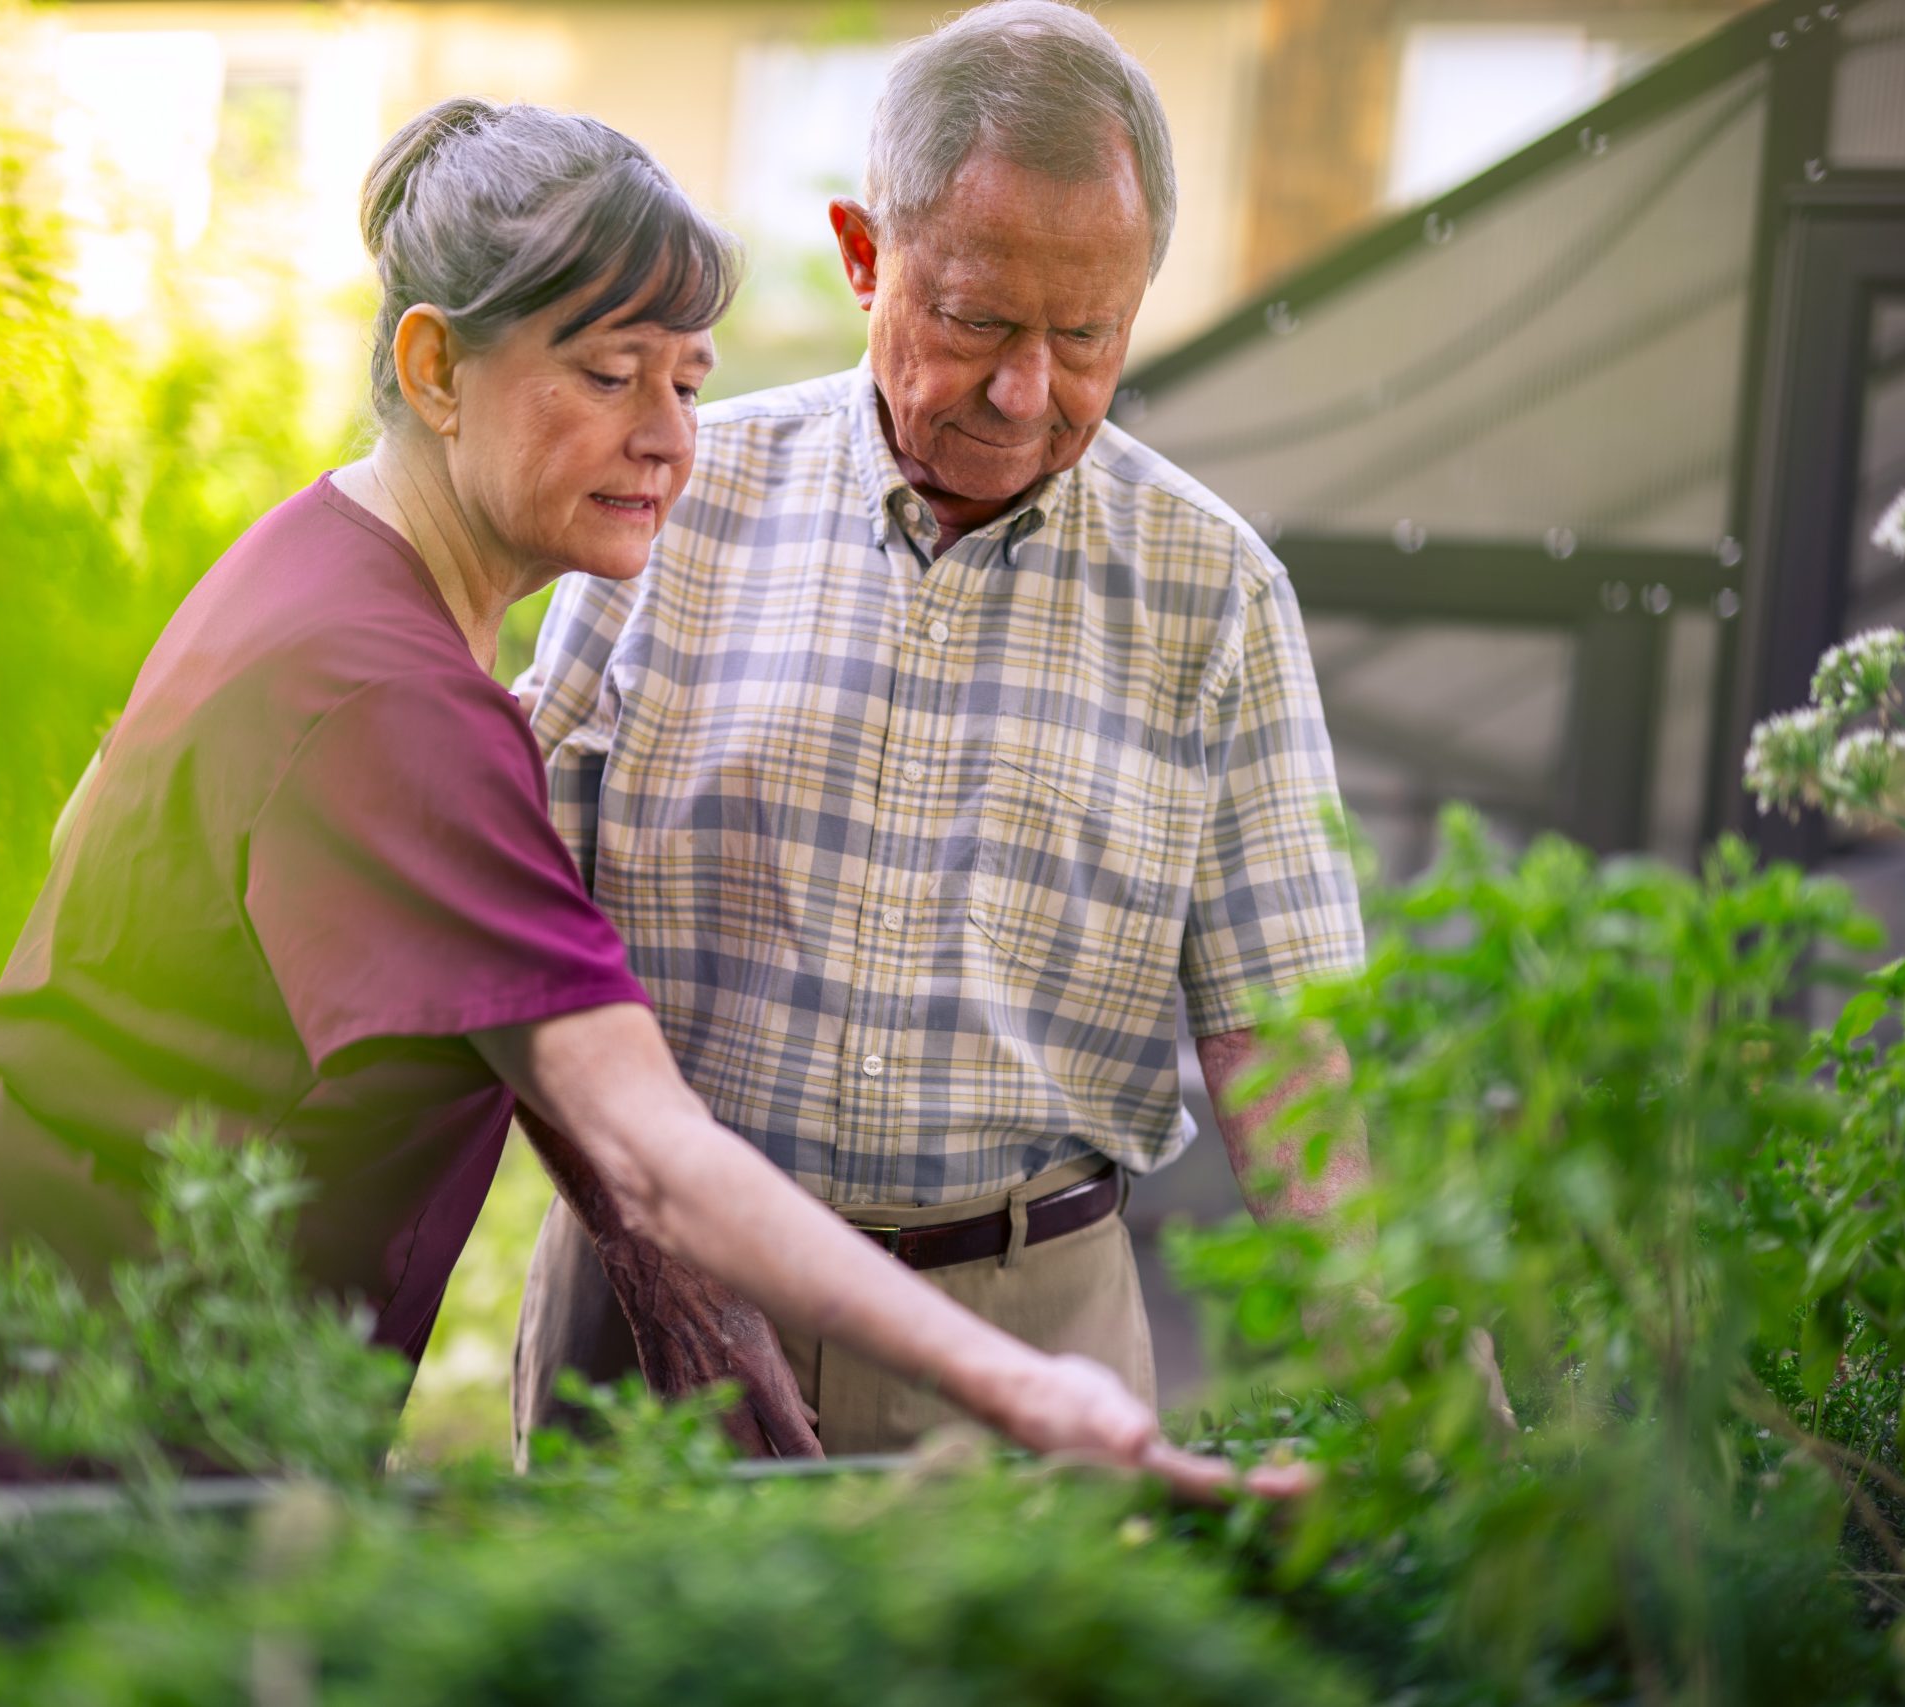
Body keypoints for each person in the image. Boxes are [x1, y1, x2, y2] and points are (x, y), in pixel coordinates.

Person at [0, 97, 1293, 1503]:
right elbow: (646, 1136)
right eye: (608, 376)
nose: (671, 442)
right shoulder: (390, 696)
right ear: (434, 366)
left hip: (49, 1367)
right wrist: (1026, 1387)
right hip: (25, 1424)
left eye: (688, 379)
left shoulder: (329, 568)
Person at [512, 1, 1369, 1460]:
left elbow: (1286, 1047)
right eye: (976, 322)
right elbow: (512, 936)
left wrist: (1407, 1379)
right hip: (661, 1307)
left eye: (1087, 335)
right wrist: (647, 1251)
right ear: (864, 256)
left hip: (1028, 1334)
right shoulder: (665, 506)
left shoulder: (1213, 594)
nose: (1028, 392)